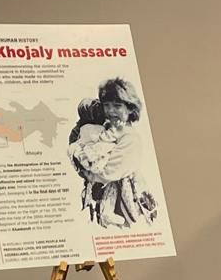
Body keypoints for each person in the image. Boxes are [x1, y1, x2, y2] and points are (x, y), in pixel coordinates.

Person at [66, 78, 158, 229]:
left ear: (130, 108)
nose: (110, 111)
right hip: (100, 201)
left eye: (117, 106)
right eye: (107, 105)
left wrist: (81, 162)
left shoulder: (129, 138)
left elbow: (106, 174)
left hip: (122, 206)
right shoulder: (107, 128)